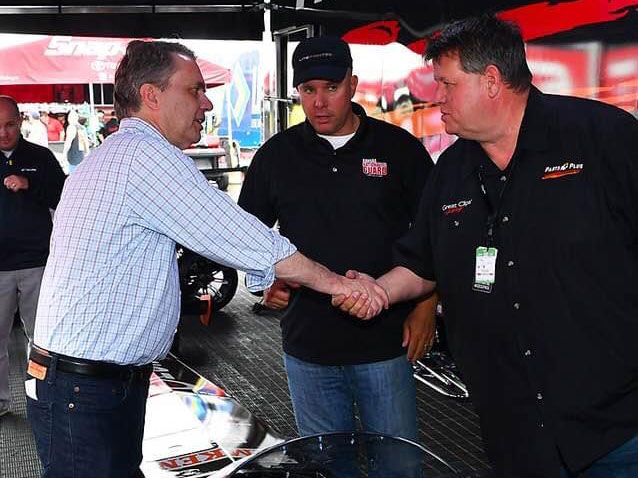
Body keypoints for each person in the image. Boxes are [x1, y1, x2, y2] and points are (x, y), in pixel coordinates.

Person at [27, 39, 387, 478]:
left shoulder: (119, 154)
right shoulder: (146, 157)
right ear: (152, 95)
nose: (206, 103)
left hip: (85, 385)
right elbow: (247, 239)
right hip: (84, 389)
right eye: (194, 90)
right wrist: (342, 285)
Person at [333, 14, 638, 478]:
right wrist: (379, 290)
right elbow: (421, 262)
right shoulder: (451, 170)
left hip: (618, 433)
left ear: (492, 81)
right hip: (515, 434)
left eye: (447, 84)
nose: (438, 98)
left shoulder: (604, 139)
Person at [238, 36, 436, 444]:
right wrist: (264, 282)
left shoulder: (399, 150)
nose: (320, 102)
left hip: (385, 342)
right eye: (309, 90)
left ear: (353, 84)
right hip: (308, 346)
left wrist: (427, 306)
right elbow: (246, 237)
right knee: (325, 465)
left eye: (331, 87)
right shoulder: (277, 156)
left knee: (397, 465)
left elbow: (434, 236)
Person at [0, 96, 65, 418]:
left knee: (42, 339)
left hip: (38, 263)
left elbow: (64, 195)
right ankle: (0, 403)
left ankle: (41, 397)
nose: (3, 132)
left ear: (20, 122)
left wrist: (30, 183)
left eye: (9, 124)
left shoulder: (40, 157)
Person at [61, 109, 91, 173]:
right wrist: (87, 153)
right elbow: (86, 142)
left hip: (73, 157)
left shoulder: (71, 127)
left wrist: (63, 155)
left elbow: (68, 142)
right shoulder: (82, 128)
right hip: (81, 156)